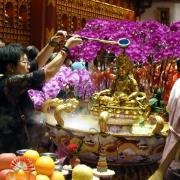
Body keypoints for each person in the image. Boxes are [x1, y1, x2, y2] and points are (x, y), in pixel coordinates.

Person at [0, 31, 82, 153]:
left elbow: (37, 63)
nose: (28, 66)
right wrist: (66, 48)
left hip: (20, 139)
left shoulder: (16, 75)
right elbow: (47, 72)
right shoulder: (11, 82)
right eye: (24, 62)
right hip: (11, 143)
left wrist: (52, 43)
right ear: (11, 67)